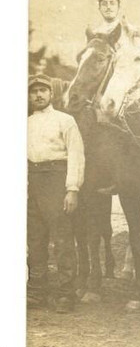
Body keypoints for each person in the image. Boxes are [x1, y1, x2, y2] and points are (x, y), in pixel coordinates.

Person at [27, 74, 85, 313]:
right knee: (35, 240)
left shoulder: (65, 120)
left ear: (51, 94)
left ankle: (65, 294)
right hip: (32, 181)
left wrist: (72, 189)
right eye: (34, 91)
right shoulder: (25, 123)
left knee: (62, 240)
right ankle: (37, 292)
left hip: (57, 180)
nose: (38, 95)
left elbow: (76, 155)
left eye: (43, 90)